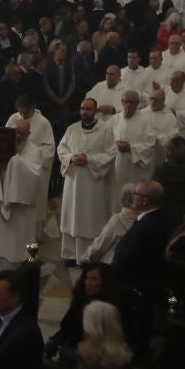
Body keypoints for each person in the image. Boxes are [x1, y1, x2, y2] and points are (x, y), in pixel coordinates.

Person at [0, 94, 55, 264]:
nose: (17, 136)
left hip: (26, 194)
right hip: (6, 191)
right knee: (4, 232)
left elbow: (43, 157)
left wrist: (15, 161)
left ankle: (31, 257)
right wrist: (1, 159)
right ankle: (1, 256)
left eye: (21, 133)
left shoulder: (42, 128)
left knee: (29, 228)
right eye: (20, 113)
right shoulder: (13, 119)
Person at [58, 97, 118, 260]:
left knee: (92, 218)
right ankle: (71, 254)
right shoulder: (71, 129)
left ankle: (91, 254)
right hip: (74, 182)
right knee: (72, 217)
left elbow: (111, 153)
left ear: (95, 110)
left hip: (94, 183)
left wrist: (90, 160)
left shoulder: (106, 130)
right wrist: (71, 157)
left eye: (88, 109)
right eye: (82, 108)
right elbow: (61, 149)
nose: (85, 112)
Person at [109, 179, 171, 302]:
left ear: (145, 200)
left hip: (132, 289)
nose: (132, 197)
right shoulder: (156, 219)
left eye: (136, 194)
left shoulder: (148, 226)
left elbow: (129, 256)